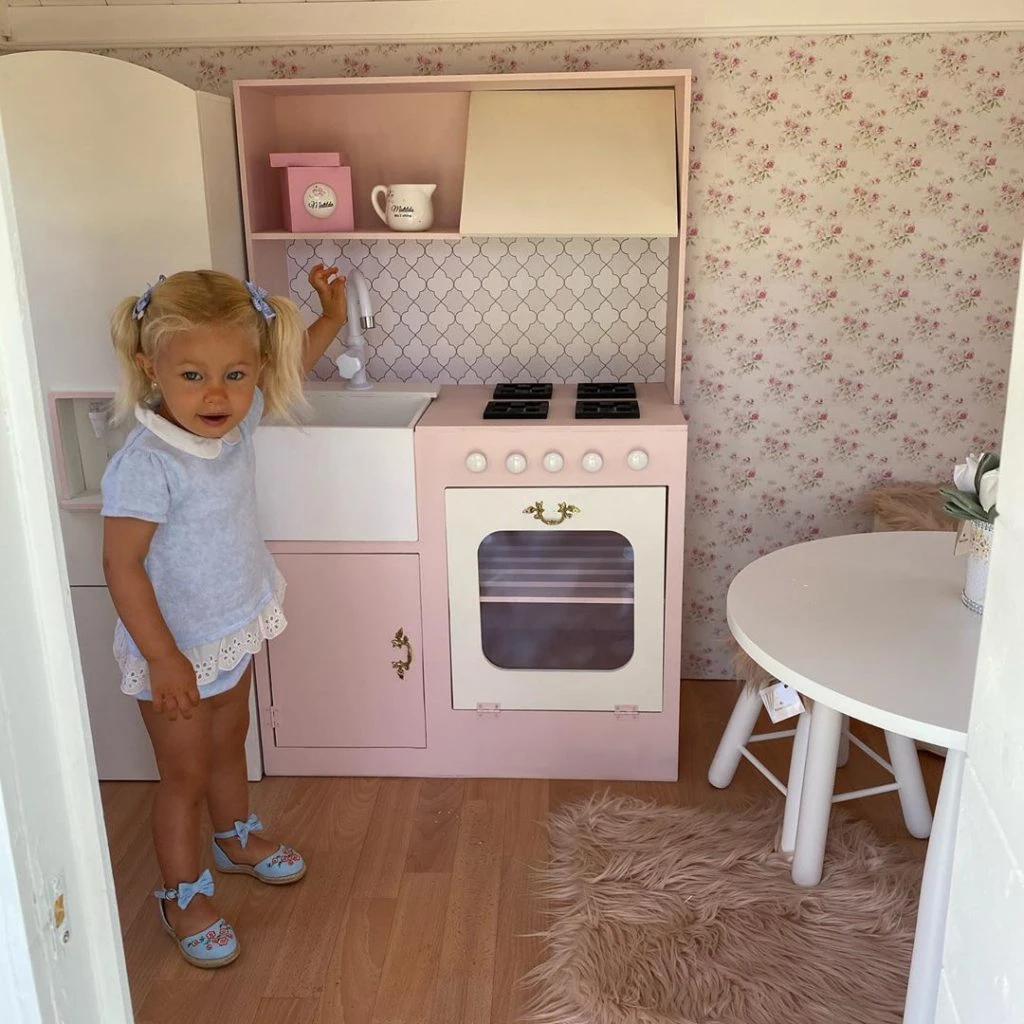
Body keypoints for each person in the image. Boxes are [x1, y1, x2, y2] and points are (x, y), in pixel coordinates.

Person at [100, 264, 346, 968]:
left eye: (235, 375)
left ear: (255, 369)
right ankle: (181, 896)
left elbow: (294, 359)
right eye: (193, 377)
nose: (217, 394)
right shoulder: (148, 463)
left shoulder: (236, 425)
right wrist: (163, 658)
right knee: (182, 777)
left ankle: (235, 836)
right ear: (150, 368)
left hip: (232, 626)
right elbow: (121, 565)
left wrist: (330, 316)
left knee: (230, 740)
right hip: (172, 650)